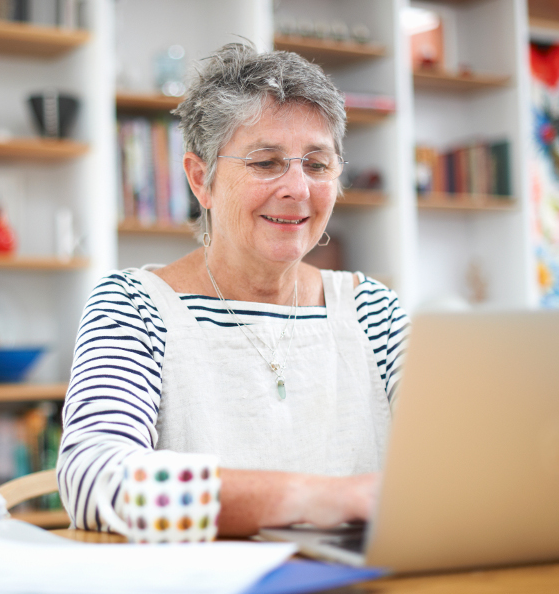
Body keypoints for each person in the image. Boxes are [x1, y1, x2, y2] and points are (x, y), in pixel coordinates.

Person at [57, 43, 409, 536]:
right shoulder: (135, 305)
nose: (298, 189)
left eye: (317, 164)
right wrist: (315, 498)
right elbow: (92, 481)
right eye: (266, 162)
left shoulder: (372, 308)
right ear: (202, 179)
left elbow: (454, 454)